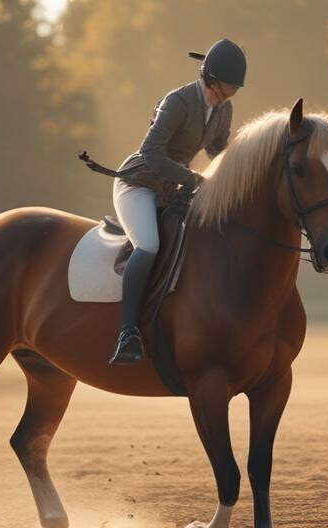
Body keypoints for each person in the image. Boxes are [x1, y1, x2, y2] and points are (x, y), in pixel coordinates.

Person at [108, 38, 245, 365]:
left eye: (231, 92)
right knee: (149, 245)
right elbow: (151, 153)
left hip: (174, 190)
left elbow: (217, 152)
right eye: (221, 89)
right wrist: (193, 179)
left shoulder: (223, 109)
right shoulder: (178, 102)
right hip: (138, 184)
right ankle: (128, 332)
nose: (223, 97)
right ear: (207, 78)